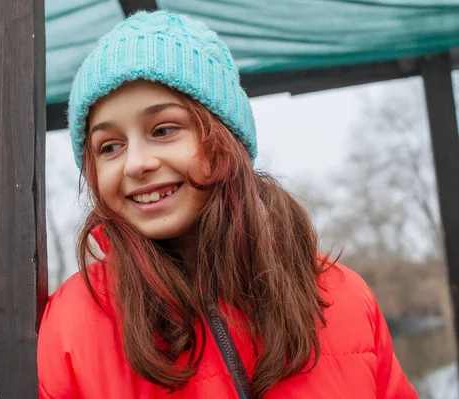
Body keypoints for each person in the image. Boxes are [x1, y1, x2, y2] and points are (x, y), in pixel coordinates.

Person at [37, 10, 417, 399]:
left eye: (164, 130)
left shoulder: (344, 295)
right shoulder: (71, 324)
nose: (136, 164)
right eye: (110, 147)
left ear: (226, 140)